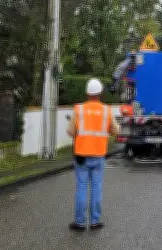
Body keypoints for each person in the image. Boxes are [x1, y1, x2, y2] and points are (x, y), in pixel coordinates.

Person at [66, 78, 120, 231]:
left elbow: (70, 132)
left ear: (87, 93)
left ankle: (80, 222)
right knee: (96, 188)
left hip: (81, 156)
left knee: (81, 188)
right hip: (98, 155)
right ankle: (95, 221)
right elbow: (116, 131)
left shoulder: (79, 109)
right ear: (100, 93)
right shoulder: (106, 110)